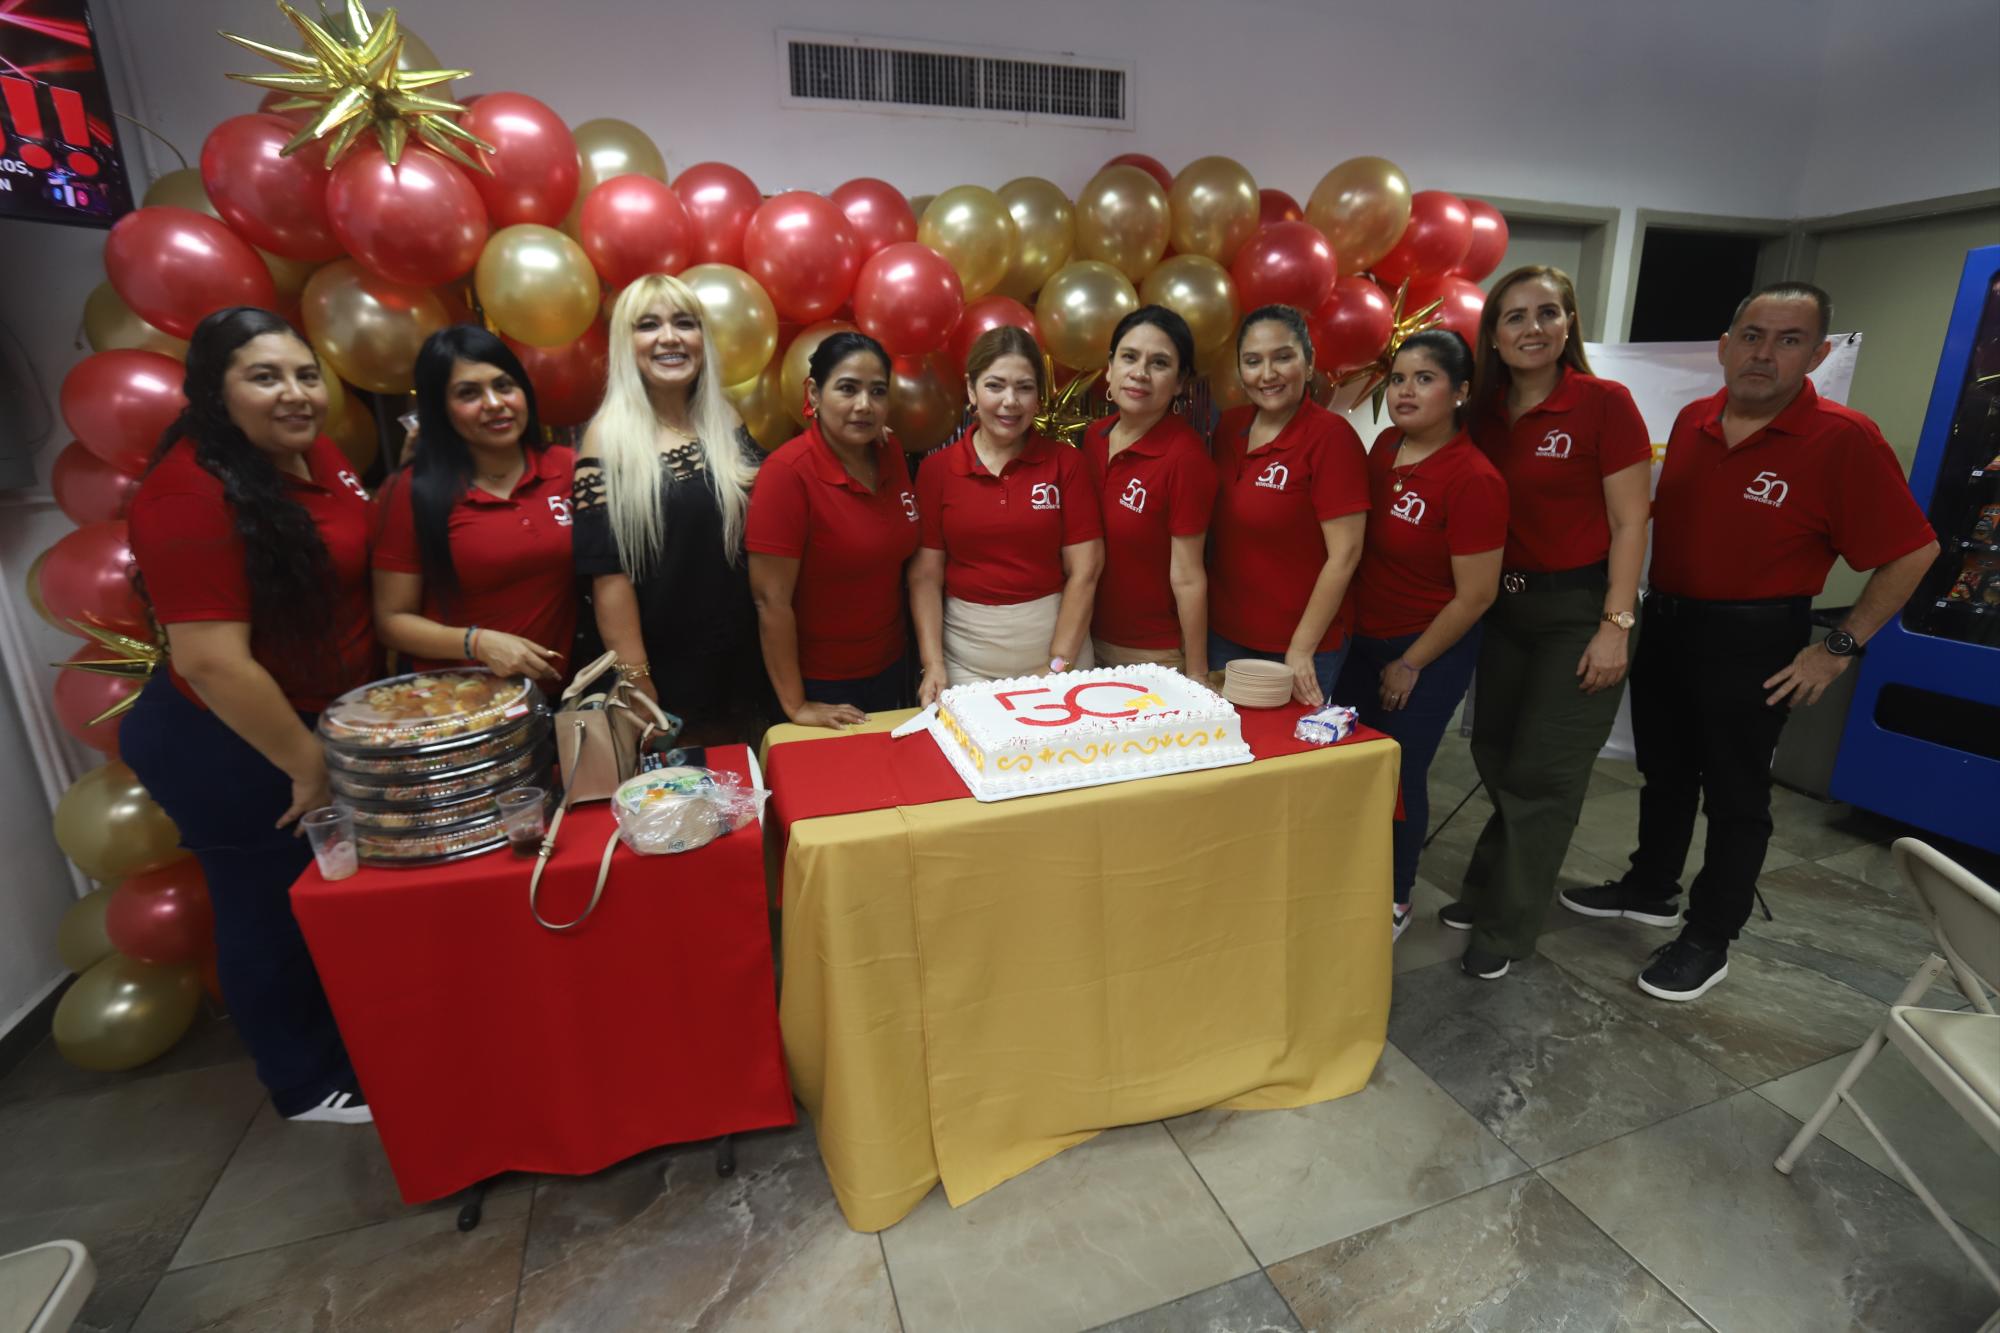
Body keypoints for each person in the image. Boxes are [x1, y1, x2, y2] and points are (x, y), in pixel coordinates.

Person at [1565, 283, 1938, 1001]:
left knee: (1736, 796)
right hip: (1670, 624)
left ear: (1819, 353)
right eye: (1752, 335)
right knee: (1665, 773)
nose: (1764, 354)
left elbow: (1914, 551)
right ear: (1725, 344)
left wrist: (1839, 647)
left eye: (1789, 339)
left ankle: (1710, 934)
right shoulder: (1695, 417)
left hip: (1755, 637)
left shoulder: (1844, 438)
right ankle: (1650, 886)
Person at [122, 306, 377, 1124]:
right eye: (264, 377)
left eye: (305, 375)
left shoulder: (314, 454)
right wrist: (306, 761)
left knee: (323, 900)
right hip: (228, 738)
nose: (295, 394)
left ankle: (348, 1045)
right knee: (266, 905)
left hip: (311, 719)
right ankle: (302, 1082)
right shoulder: (185, 495)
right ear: (213, 392)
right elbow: (210, 658)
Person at [1445, 266, 1652, 980]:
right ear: (1493, 337)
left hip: (1577, 608)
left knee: (1545, 775)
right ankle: (1487, 887)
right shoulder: (1481, 413)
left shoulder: (1603, 403)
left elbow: (1631, 520)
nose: (1532, 328)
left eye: (1547, 313)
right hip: (1500, 607)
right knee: (1497, 754)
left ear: (1569, 324)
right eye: (1514, 317)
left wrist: (1616, 622)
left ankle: (1505, 930)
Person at [1336, 331, 1507, 941]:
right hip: (1361, 641)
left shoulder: (1474, 478)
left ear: (1460, 392)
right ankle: (1352, 875)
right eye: (1400, 378)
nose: (1407, 391)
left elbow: (1477, 595)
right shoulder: (1383, 447)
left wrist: (1410, 662)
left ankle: (1395, 895)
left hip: (1424, 653)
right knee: (1353, 768)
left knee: (1399, 777)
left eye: (1425, 379)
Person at [572, 273, 769, 745]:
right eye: (648, 325)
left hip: (745, 662)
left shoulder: (724, 416)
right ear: (626, 343)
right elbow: (608, 577)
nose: (669, 338)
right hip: (667, 678)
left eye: (684, 323)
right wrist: (638, 683)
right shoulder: (607, 437)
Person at [910, 325, 1103, 701]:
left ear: (1038, 395)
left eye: (1024, 387)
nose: (1010, 401)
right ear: (971, 389)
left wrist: (1057, 664)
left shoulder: (1067, 463)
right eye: (995, 386)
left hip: (1061, 662)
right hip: (967, 668)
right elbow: (925, 577)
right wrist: (933, 665)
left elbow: (1086, 571)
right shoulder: (936, 471)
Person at [372, 326, 574, 682]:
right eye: (468, 393)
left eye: (504, 385)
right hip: (459, 702)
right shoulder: (410, 490)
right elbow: (391, 621)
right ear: (440, 408)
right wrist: (478, 643)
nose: (495, 404)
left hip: (560, 693)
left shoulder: (567, 467)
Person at [747, 330, 920, 725]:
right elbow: (770, 602)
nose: (865, 405)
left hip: (893, 665)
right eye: (847, 389)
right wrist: (797, 706)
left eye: (877, 392)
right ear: (813, 394)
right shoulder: (787, 474)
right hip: (822, 685)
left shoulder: (889, 452)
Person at [1207, 304, 1369, 703]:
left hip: (1299, 646)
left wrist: (1301, 647)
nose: (1267, 374)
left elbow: (1345, 554)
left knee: (1289, 758)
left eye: (1283, 357)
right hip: (1225, 636)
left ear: (1309, 362)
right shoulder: (1228, 427)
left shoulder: (1331, 437)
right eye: (1253, 361)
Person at [1082, 305, 1217, 675]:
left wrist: (1196, 674)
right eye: (1129, 357)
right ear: (1109, 368)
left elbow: (1188, 577)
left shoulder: (1184, 458)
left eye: (1159, 363)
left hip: (1151, 655)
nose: (1139, 373)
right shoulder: (1095, 437)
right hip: (1082, 642)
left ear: (1179, 382)